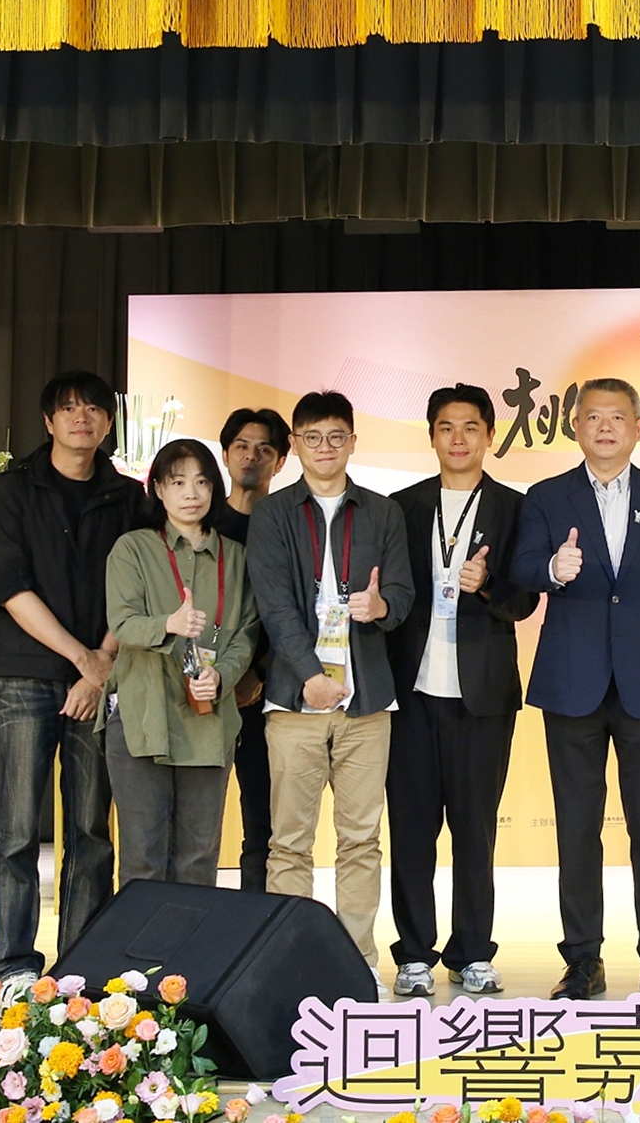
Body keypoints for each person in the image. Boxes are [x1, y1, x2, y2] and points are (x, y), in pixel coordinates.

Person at [512, 377, 640, 1001]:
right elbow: (521, 569)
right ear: (575, 427)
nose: (604, 426)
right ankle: (582, 961)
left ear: (639, 427)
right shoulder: (546, 496)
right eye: (592, 416)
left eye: (617, 417)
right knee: (577, 828)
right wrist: (552, 569)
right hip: (573, 683)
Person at [0, 371, 147, 977]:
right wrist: (85, 660)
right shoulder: (13, 490)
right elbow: (9, 585)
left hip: (99, 675)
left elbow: (137, 590)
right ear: (49, 421)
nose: (82, 418)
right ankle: (14, 966)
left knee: (90, 828)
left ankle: (80, 964)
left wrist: (101, 665)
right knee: (18, 828)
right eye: (69, 408)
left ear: (108, 423)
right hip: (26, 674)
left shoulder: (129, 497)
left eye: (94, 409)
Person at [247, 391, 414, 988]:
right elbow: (273, 605)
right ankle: (290, 966)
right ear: (294, 444)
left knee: (361, 840)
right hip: (294, 702)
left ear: (352, 442)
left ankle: (357, 963)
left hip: (368, 703)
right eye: (312, 437)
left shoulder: (383, 513)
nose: (325, 447)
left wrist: (381, 605)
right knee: (289, 842)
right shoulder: (272, 513)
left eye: (336, 436)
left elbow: (404, 594)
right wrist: (311, 677)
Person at [385, 385, 539, 997]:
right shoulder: (400, 507)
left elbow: (525, 601)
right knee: (411, 829)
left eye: (471, 427)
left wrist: (488, 583)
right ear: (431, 436)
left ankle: (473, 951)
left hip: (484, 695)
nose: (458, 438)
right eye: (446, 427)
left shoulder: (515, 508)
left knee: (476, 830)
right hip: (411, 691)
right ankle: (413, 954)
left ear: (489, 436)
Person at [103, 439, 260, 887]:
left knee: (199, 857)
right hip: (144, 715)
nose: (191, 493)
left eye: (202, 482)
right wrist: (168, 624)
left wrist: (221, 675)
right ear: (158, 489)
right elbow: (122, 623)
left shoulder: (236, 555)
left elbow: (247, 631)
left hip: (208, 719)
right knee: (143, 859)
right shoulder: (132, 549)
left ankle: (191, 939)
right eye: (177, 482)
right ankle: (142, 938)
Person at [210, 407, 291, 891]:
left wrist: (256, 671)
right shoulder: (201, 520)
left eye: (264, 449)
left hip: (267, 691)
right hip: (203, 690)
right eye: (241, 446)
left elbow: (296, 611)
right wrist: (222, 673)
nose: (251, 457)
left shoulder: (287, 524)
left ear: (280, 462)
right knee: (198, 824)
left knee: (264, 824)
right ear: (225, 454)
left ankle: (257, 917)